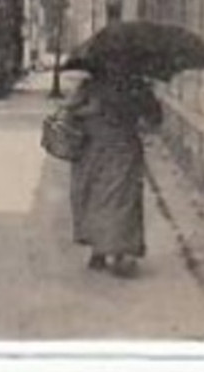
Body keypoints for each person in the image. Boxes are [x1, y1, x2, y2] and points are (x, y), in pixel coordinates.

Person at [64, 67, 164, 276]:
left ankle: (100, 252)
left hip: (96, 151)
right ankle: (118, 252)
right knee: (121, 199)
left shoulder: (90, 85)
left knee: (96, 198)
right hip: (119, 149)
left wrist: (89, 111)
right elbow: (154, 118)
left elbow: (70, 113)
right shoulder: (137, 86)